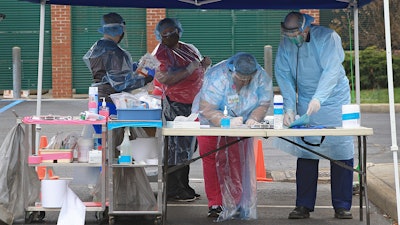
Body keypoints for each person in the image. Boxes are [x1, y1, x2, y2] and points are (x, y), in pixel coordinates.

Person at [274, 11, 355, 219]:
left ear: (305, 27)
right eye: (288, 34)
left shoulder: (327, 38)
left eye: (295, 34)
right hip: (305, 100)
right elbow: (283, 75)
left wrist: (319, 98)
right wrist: (290, 107)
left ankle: (342, 204)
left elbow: (331, 71)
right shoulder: (286, 43)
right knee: (307, 151)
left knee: (340, 150)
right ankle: (303, 205)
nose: (292, 38)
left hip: (333, 99)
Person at [193, 52, 273, 220]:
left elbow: (264, 102)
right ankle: (215, 203)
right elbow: (206, 108)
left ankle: (237, 202)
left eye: (248, 78)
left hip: (241, 124)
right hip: (209, 123)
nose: (244, 81)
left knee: (237, 160)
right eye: (240, 77)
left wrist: (253, 118)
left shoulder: (260, 77)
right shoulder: (217, 77)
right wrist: (223, 121)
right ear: (231, 71)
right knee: (212, 160)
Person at [152, 18, 211, 202]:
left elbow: (197, 67)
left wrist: (202, 65)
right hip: (174, 103)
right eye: (166, 33)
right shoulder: (161, 54)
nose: (171, 35)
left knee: (188, 147)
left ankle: (184, 185)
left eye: (174, 31)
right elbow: (165, 78)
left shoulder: (187, 48)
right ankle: (173, 188)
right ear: (160, 35)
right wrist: (188, 69)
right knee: (175, 147)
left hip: (193, 103)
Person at [83, 12, 153, 116]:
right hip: (111, 100)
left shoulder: (97, 47)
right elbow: (120, 84)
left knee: (101, 130)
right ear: (119, 30)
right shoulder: (115, 52)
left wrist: (131, 67)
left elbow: (107, 72)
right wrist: (146, 79)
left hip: (97, 98)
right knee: (113, 130)